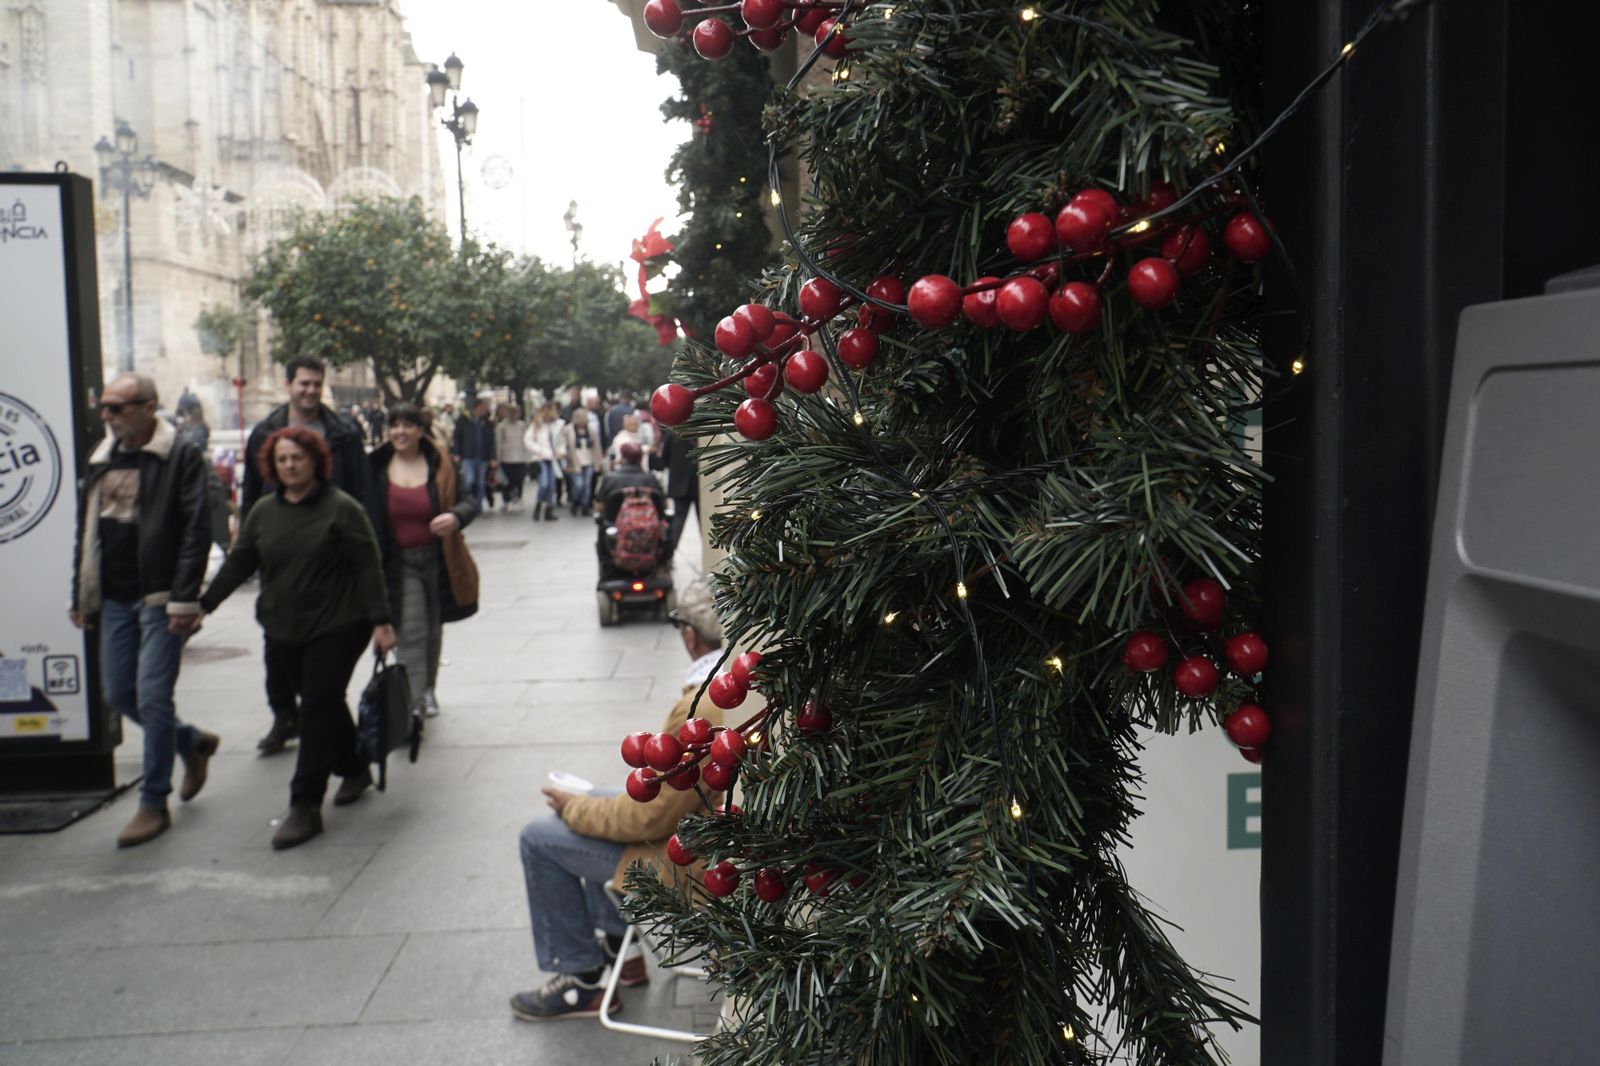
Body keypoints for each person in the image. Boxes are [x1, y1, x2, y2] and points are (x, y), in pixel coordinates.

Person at [511, 578, 728, 1021]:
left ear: (689, 635)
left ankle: (582, 980)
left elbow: (648, 818)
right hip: (710, 841)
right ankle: (620, 953)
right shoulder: (729, 685)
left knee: (540, 838)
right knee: (594, 804)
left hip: (697, 864)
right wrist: (586, 805)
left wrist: (575, 808)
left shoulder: (703, 705)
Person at [193, 427, 395, 850]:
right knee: (322, 704)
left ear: (315, 462)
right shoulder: (265, 512)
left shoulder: (342, 509)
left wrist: (381, 621)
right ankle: (355, 765)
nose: (290, 465)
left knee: (318, 704)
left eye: (297, 458)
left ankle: (305, 804)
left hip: (341, 623)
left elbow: (367, 566)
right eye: (282, 459)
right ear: (272, 464)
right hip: (284, 627)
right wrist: (204, 605)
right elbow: (240, 562)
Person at [70, 373, 219, 848]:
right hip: (114, 597)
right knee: (119, 693)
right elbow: (87, 530)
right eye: (104, 408)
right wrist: (82, 594)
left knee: (153, 696)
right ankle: (191, 742)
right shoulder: (102, 457)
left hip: (159, 598)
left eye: (117, 407)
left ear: (149, 406)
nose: (107, 416)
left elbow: (196, 529)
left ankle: (153, 801)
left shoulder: (179, 457)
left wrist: (184, 599)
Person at [241, 355, 372, 757]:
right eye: (303, 384)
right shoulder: (266, 432)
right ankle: (285, 715)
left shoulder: (344, 431)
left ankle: (328, 750)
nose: (310, 391)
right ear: (289, 386)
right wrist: (247, 550)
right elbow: (251, 494)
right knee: (276, 643)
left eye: (316, 384)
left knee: (322, 668)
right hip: (281, 555)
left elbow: (363, 493)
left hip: (333, 557)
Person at [367, 403, 480, 720]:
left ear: (420, 430)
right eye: (394, 425)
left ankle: (428, 689)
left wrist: (455, 517)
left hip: (440, 558)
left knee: (433, 628)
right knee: (412, 630)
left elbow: (469, 501)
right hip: (398, 562)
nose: (400, 432)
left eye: (407, 425)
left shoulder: (440, 463)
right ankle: (412, 703)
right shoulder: (375, 465)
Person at [652, 427, 701, 562]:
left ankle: (668, 556)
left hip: (680, 484)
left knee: (678, 521)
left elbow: (663, 462)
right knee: (703, 520)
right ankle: (711, 555)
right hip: (699, 483)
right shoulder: (702, 432)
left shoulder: (672, 434)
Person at [451, 394, 497, 513]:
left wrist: (493, 457)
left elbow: (492, 440)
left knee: (481, 482)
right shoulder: (463, 419)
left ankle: (477, 506)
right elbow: (457, 437)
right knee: (469, 480)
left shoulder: (486, 422)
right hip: (468, 456)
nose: (485, 409)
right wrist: (456, 453)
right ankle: (468, 503)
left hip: (483, 457)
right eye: (483, 407)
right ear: (477, 407)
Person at [523, 403, 565, 523]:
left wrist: (560, 452)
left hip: (553, 459)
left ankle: (548, 510)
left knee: (551, 485)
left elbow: (561, 442)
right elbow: (528, 440)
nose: (555, 413)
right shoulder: (537, 425)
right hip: (541, 458)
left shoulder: (558, 425)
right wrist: (540, 450)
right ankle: (539, 504)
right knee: (544, 484)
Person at [559, 403, 604, 516]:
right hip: (574, 462)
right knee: (578, 485)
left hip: (589, 461)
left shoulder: (591, 430)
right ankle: (575, 502)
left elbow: (596, 447)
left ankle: (585, 506)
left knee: (587, 486)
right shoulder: (568, 430)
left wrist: (598, 463)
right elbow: (563, 446)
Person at [494, 403, 530, 512]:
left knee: (518, 479)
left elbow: (526, 441)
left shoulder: (522, 426)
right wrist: (498, 459)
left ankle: (517, 497)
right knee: (506, 481)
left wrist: (528, 457)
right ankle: (506, 500)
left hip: (520, 457)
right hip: (506, 457)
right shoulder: (501, 427)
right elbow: (499, 442)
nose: (515, 416)